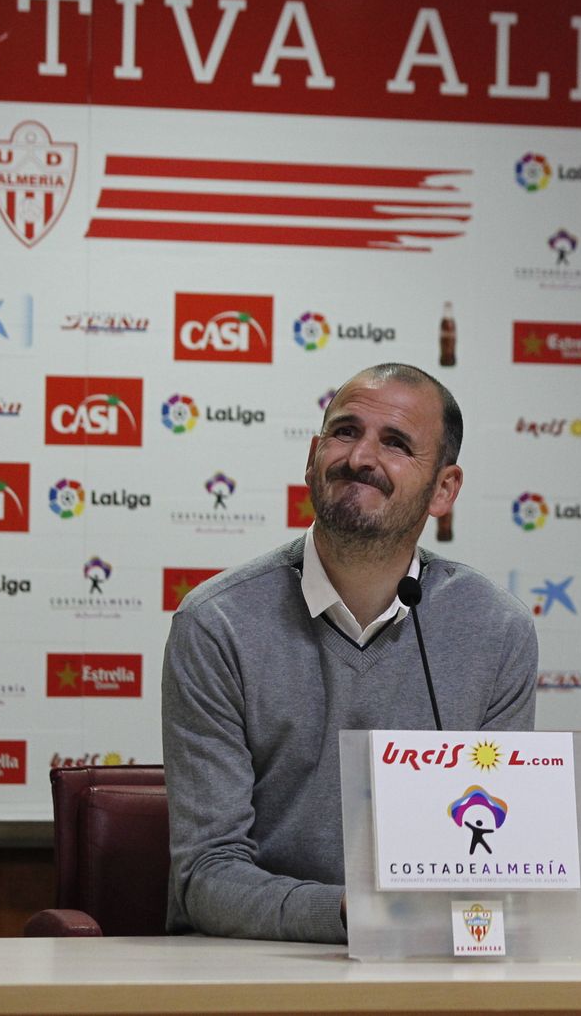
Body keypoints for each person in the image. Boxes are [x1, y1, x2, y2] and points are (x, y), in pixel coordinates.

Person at [161, 363, 538, 943]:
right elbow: (205, 875)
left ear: (444, 488)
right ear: (312, 456)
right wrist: (359, 913)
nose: (360, 457)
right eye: (344, 432)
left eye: (395, 443)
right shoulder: (218, 623)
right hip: (252, 970)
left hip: (427, 967)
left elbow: (493, 852)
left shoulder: (496, 629)